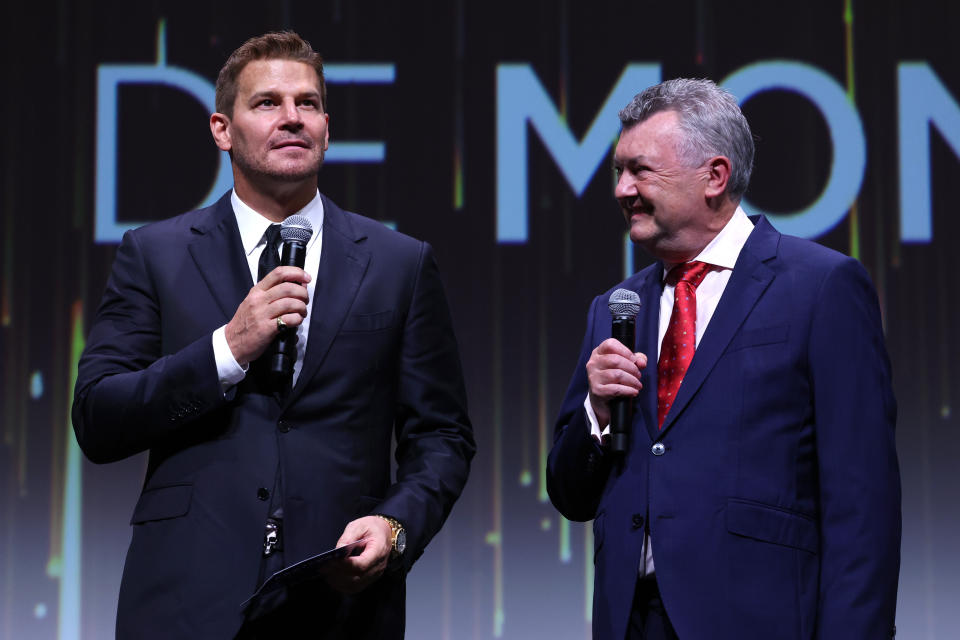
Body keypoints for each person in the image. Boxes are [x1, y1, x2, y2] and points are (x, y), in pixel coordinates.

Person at [72, 31, 474, 639]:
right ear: (221, 129)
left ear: (327, 126)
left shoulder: (399, 262)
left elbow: (442, 435)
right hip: (187, 596)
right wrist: (226, 350)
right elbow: (98, 417)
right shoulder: (154, 253)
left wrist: (394, 527)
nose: (292, 118)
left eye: (307, 103)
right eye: (267, 103)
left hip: (340, 599)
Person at [546, 78, 900, 640]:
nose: (621, 189)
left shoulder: (821, 287)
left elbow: (863, 506)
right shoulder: (616, 308)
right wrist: (595, 414)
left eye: (641, 169)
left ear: (714, 175)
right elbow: (570, 496)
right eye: (617, 170)